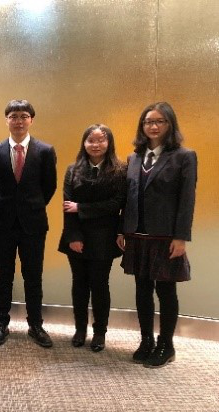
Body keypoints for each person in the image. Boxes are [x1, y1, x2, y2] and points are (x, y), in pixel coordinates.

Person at [117, 102, 197, 368]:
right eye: (148, 121)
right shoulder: (134, 158)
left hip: (165, 236)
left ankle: (166, 345)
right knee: (142, 290)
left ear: (169, 124)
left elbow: (187, 200)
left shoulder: (184, 156)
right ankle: (146, 340)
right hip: (137, 234)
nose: (153, 126)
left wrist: (181, 237)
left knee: (166, 291)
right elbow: (127, 197)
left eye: (159, 121)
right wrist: (122, 229)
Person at [0, 100, 57, 347]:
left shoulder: (45, 151)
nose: (18, 121)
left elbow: (49, 187)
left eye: (24, 116)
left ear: (31, 120)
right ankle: (1, 324)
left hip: (33, 224)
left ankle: (35, 325)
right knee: (3, 276)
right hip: (3, 223)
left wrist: (30, 206)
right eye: (14, 116)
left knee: (33, 276)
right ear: (6, 120)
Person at [58, 124, 126, 352]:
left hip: (104, 237)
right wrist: (73, 236)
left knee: (100, 285)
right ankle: (80, 329)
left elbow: (117, 204)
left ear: (109, 143)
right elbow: (67, 206)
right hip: (77, 236)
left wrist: (82, 208)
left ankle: (99, 332)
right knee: (79, 285)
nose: (95, 145)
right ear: (84, 143)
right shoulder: (73, 169)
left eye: (101, 140)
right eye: (91, 140)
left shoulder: (120, 170)